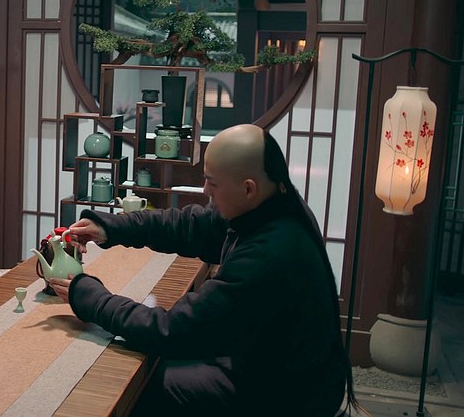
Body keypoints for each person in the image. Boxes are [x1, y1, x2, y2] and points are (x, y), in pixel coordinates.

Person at [50, 124, 358, 416]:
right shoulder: (274, 202)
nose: (205, 189)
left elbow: (172, 331)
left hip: (286, 395)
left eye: (213, 182)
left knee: (143, 382)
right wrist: (109, 228)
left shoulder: (271, 252)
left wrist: (89, 296)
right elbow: (190, 225)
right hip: (267, 363)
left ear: (248, 188)